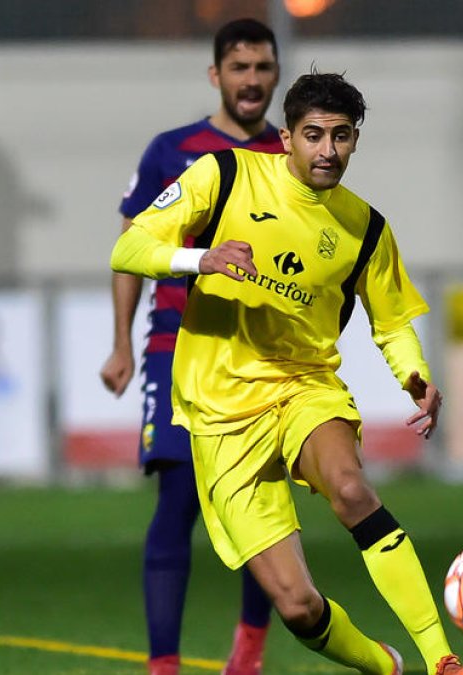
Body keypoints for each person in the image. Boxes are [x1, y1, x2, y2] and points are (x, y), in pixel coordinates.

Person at [109, 70, 463, 675]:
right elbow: (128, 249)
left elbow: (390, 323)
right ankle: (386, 667)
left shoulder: (365, 227)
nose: (328, 150)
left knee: (350, 489)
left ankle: (442, 660)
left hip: (303, 388)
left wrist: (414, 375)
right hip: (220, 413)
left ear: (355, 141)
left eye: (342, 136)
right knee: (297, 605)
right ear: (286, 137)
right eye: (314, 135)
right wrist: (198, 258)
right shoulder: (224, 174)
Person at [99, 18, 283, 675]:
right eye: (240, 68)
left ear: (276, 74)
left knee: (260, 503)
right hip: (176, 347)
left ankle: (250, 651)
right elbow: (129, 251)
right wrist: (120, 343)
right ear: (217, 76)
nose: (252, 80)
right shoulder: (171, 150)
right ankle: (164, 665)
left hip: (258, 355)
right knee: (178, 497)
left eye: (263, 67)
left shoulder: (288, 158)